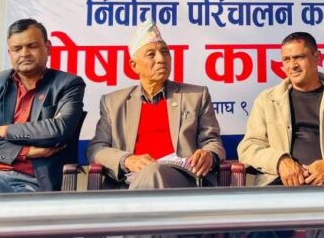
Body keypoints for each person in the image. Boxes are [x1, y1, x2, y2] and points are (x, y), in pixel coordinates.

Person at [87, 20, 225, 189]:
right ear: (134, 66)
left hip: (183, 181)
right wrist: (127, 160)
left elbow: (213, 141)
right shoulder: (113, 103)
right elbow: (96, 149)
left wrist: (209, 155)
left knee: (154, 171)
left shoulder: (196, 96)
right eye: (151, 54)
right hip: (130, 181)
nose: (161, 59)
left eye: (165, 52)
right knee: (151, 173)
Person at [0, 18, 86, 193]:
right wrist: (26, 152)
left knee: (15, 203)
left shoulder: (68, 84)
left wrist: (5, 131)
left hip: (34, 181)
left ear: (48, 48)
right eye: (17, 49)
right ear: (9, 53)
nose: (24, 53)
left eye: (32, 46)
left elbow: (59, 129)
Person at [238, 31, 324, 187]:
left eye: (299, 57)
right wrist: (280, 162)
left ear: (317, 58)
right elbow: (248, 148)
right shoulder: (267, 100)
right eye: (286, 59)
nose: (292, 65)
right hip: (279, 187)